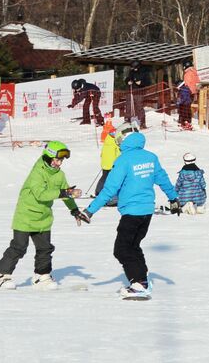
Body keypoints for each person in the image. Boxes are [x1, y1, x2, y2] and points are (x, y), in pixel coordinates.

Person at [78, 128, 179, 300]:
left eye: (119, 140)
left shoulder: (123, 160)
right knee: (133, 246)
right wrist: (174, 199)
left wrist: (89, 211)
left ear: (125, 141)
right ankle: (143, 279)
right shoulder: (150, 157)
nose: (118, 143)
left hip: (132, 212)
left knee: (122, 250)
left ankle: (139, 283)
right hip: (147, 212)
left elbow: (109, 189)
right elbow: (162, 179)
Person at [0, 141, 88, 289]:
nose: (59, 163)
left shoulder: (59, 175)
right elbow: (41, 194)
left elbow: (65, 193)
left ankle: (41, 277)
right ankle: (1, 276)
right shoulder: (37, 172)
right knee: (19, 247)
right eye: (57, 160)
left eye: (61, 160)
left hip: (43, 217)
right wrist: (65, 192)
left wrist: (74, 211)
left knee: (45, 248)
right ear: (49, 158)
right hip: (25, 215)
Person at [96, 121, 129, 206]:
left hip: (107, 164)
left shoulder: (108, 141)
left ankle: (99, 191)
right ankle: (106, 195)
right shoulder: (113, 142)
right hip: (111, 165)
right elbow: (116, 153)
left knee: (105, 178)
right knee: (111, 181)